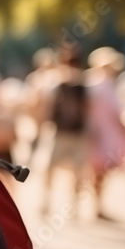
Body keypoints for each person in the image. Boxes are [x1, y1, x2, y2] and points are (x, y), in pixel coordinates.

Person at [86, 47, 125, 220]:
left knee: (93, 171)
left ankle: (94, 205)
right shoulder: (106, 84)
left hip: (94, 132)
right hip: (104, 133)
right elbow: (117, 111)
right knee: (100, 171)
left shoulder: (90, 81)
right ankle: (97, 206)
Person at [40, 46, 90, 216]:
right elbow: (87, 108)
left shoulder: (57, 81)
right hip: (76, 132)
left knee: (50, 168)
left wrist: (44, 125)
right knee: (77, 171)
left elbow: (48, 106)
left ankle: (47, 202)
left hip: (60, 132)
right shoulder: (83, 82)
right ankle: (73, 207)